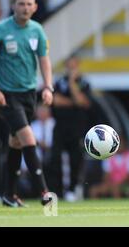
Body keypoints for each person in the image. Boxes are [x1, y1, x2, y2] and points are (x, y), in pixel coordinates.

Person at [0, 0, 54, 207]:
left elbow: (44, 59)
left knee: (15, 143)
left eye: (29, 4)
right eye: (21, 4)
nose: (25, 8)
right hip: (7, 94)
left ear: (35, 7)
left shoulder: (38, 30)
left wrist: (48, 86)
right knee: (29, 139)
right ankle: (44, 192)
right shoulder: (1, 30)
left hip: (29, 94)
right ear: (13, 6)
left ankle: (8, 195)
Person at [50, 54, 92, 201]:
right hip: (60, 125)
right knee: (54, 158)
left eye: (73, 64)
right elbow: (55, 101)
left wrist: (73, 84)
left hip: (77, 127)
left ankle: (74, 189)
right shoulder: (59, 81)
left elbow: (84, 102)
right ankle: (57, 191)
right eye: (69, 64)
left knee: (76, 159)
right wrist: (74, 101)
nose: (71, 67)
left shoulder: (84, 82)